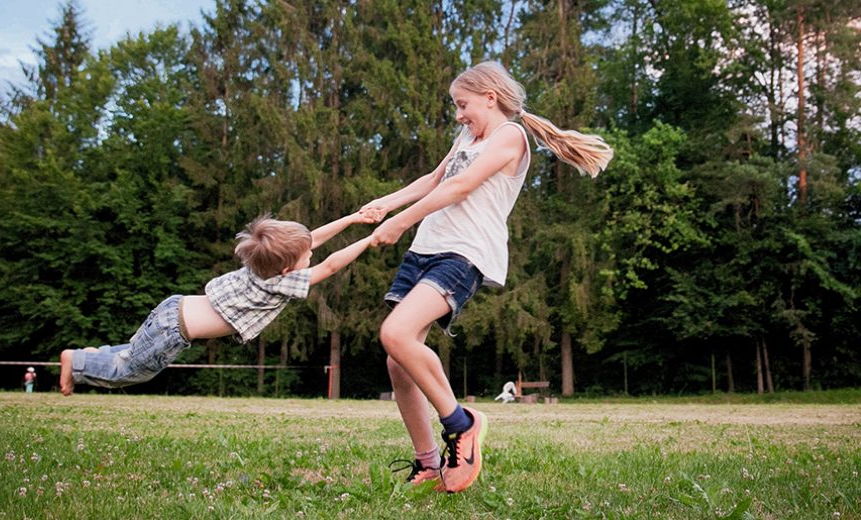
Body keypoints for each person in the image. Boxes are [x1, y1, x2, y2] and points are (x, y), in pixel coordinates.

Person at [364, 61, 613, 493]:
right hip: (427, 248)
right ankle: (428, 464)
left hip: (464, 253)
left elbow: (460, 189)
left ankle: (462, 424)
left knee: (396, 334)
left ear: (489, 97)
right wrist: (384, 204)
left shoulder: (510, 137)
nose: (458, 115)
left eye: (462, 105)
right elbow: (435, 179)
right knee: (398, 359)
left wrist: (400, 222)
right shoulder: (468, 137)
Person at [59, 210, 381, 396]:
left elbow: (309, 240)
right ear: (286, 268)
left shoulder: (258, 264)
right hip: (175, 329)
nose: (311, 255)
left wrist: (353, 219)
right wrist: (369, 239)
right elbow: (330, 266)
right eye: (305, 256)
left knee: (130, 353)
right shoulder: (279, 283)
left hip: (174, 307)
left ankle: (91, 357)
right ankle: (74, 361)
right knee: (131, 372)